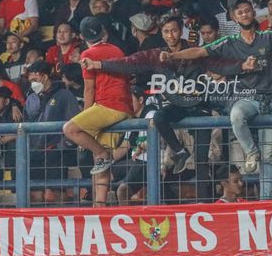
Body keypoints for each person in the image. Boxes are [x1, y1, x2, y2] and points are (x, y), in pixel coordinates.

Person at [81, 14, 253, 199]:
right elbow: (128, 63)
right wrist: (97, 64)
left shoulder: (195, 51)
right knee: (158, 118)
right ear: (161, 34)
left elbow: (219, 64)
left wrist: (242, 65)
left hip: (200, 107)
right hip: (177, 106)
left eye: (174, 30)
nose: (170, 35)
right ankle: (179, 151)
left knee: (202, 161)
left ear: (181, 31)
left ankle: (204, 205)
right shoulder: (155, 55)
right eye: (166, 31)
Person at [158, 0, 272, 200]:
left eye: (247, 10)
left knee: (267, 158)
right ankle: (251, 151)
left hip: (271, 101)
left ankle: (265, 201)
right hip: (247, 98)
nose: (244, 14)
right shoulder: (229, 41)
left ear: (253, 13)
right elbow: (200, 51)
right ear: (233, 17)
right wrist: (172, 56)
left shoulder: (269, 36)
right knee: (236, 115)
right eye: (239, 12)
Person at [63, 17, 131, 206]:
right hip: (124, 107)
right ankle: (99, 204)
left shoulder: (87, 53)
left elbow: (89, 89)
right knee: (102, 161)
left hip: (108, 106)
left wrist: (85, 117)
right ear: (103, 33)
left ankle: (100, 155)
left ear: (81, 36)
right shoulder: (117, 49)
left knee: (70, 129)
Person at [25, 60, 80, 203]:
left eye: (35, 79)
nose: (32, 83)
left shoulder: (64, 95)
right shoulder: (30, 98)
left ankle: (62, 223)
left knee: (54, 194)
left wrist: (62, 145)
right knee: (34, 195)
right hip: (34, 153)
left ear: (44, 77)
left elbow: (74, 121)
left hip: (56, 153)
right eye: (30, 80)